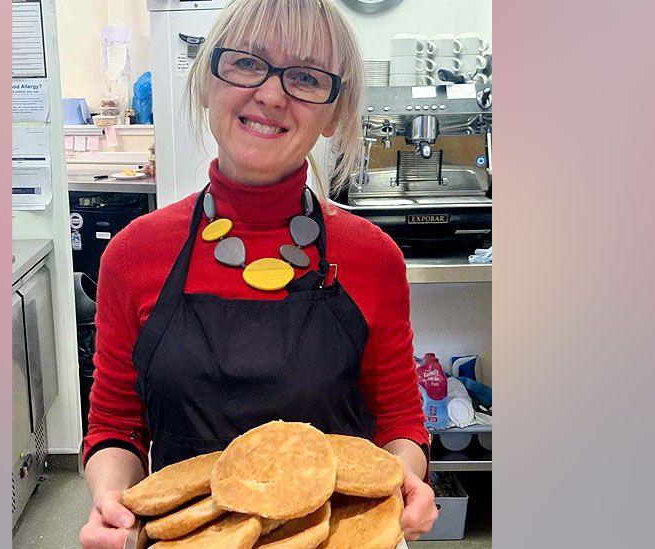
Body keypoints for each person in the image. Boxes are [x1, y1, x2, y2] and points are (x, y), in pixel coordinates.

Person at [79, 1, 437, 547]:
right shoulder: (133, 255)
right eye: (246, 63)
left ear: (335, 112)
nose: (271, 95)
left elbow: (397, 420)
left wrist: (405, 477)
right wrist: (110, 498)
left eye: (306, 77)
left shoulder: (373, 258)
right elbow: (115, 425)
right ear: (206, 81)